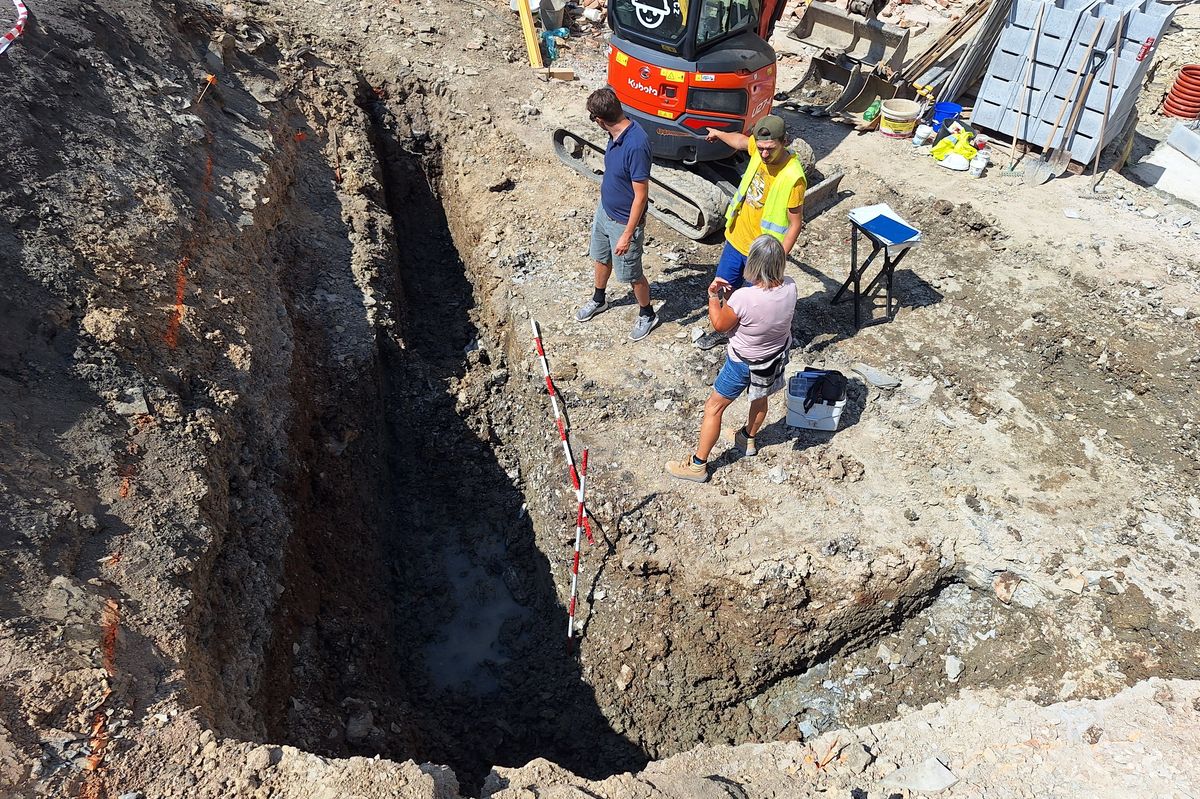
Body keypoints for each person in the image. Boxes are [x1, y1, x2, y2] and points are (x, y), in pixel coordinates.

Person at [666, 235, 797, 483]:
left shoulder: (743, 298)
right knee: (760, 398)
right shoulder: (790, 286)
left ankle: (698, 465)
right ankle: (747, 439)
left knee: (714, 408)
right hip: (774, 357)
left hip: (743, 363)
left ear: (753, 264)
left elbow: (720, 325)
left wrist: (714, 296)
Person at [694, 114, 805, 350]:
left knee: (754, 301)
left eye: (770, 149)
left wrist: (778, 259)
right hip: (736, 240)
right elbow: (741, 142)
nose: (764, 154)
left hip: (761, 255)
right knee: (725, 288)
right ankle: (725, 329)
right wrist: (719, 133)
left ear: (784, 141)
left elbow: (795, 223)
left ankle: (752, 340)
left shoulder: (793, 177)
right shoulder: (759, 147)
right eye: (761, 148)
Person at [574, 87, 657, 341]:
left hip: (624, 222)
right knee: (600, 258)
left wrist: (627, 235)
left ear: (600, 120)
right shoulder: (616, 132)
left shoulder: (636, 145)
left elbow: (641, 195)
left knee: (632, 274)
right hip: (605, 211)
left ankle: (647, 313)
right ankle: (599, 299)